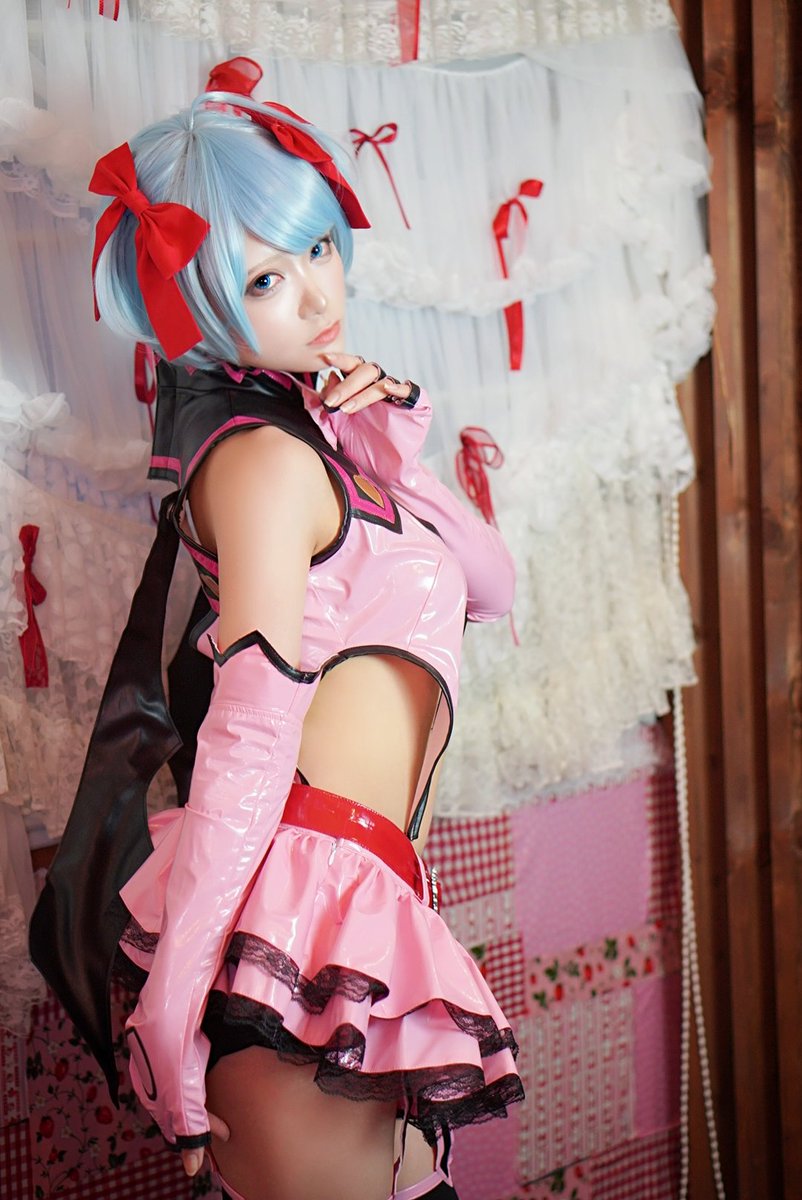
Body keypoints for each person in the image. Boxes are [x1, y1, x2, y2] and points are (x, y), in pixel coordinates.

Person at [30, 59, 523, 1200]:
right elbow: (245, 754)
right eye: (264, 277)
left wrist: (395, 448)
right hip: (301, 936)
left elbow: (490, 587)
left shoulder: (323, 445)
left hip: (360, 924)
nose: (315, 293)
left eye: (315, 248)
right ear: (198, 309)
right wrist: (169, 1019)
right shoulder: (259, 465)